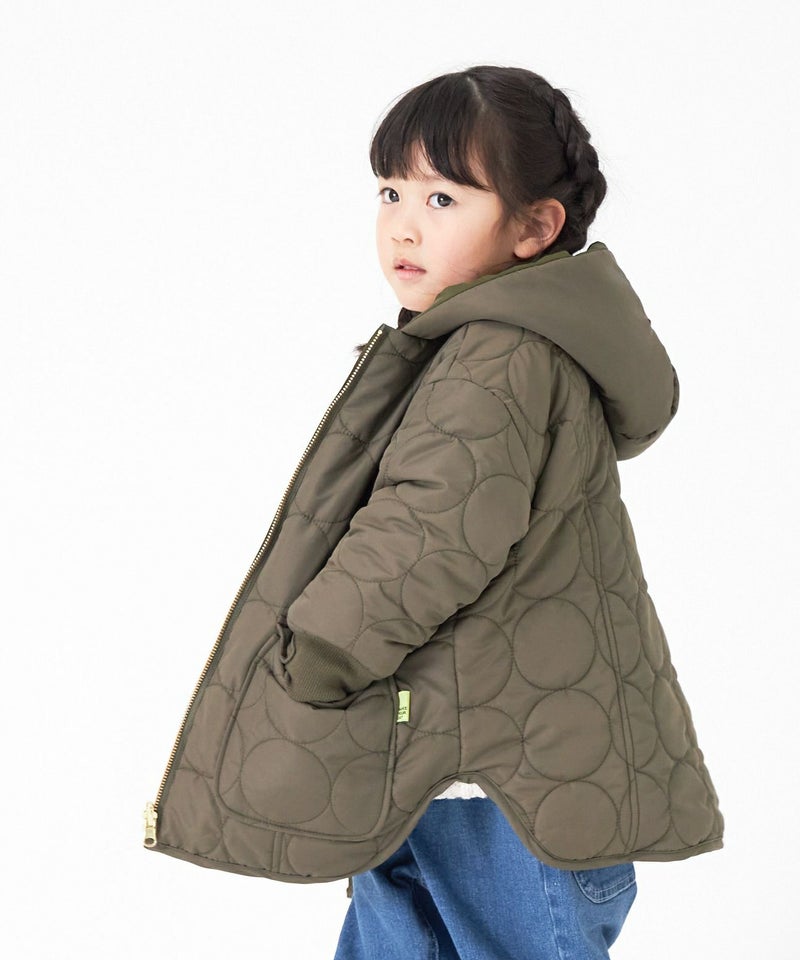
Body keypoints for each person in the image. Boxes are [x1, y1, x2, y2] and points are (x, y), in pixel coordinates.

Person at [143, 63, 723, 960]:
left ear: (535, 227)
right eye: (390, 191)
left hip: (498, 788)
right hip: (454, 767)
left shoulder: (501, 357)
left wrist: (316, 652)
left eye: (444, 198)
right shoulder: (472, 349)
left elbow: (432, 532)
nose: (403, 225)